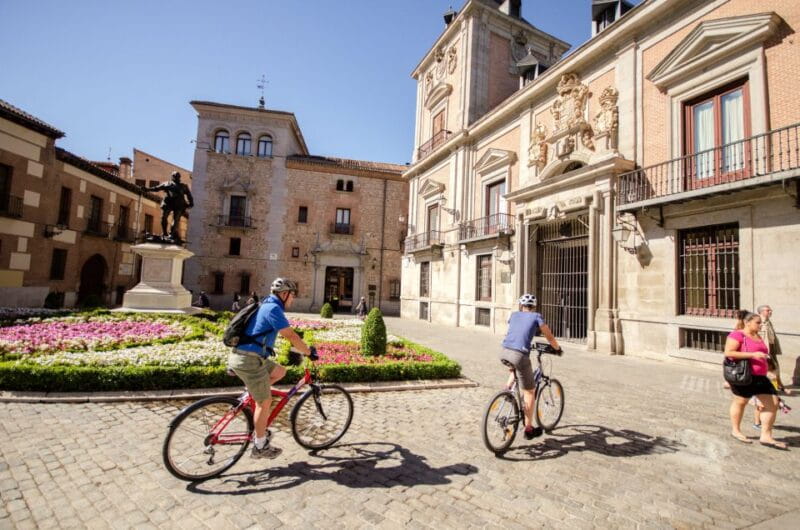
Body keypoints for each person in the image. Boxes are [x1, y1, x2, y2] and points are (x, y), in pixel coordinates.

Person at [227, 278, 317, 458]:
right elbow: (290, 335)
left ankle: (251, 393)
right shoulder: (274, 308)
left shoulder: (266, 303)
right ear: (284, 294)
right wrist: (308, 352)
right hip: (250, 360)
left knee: (280, 371)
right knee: (264, 402)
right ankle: (260, 446)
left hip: (250, 357)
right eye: (292, 295)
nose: (293, 299)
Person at [499, 294, 562, 440]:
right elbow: (549, 336)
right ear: (534, 307)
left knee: (515, 367)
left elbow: (515, 331)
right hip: (519, 355)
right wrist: (557, 348)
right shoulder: (536, 316)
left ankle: (507, 391)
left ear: (521, 306)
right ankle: (528, 428)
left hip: (504, 351)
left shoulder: (514, 315)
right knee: (529, 391)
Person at [725, 310, 786, 449]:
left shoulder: (757, 335)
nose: (760, 325)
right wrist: (752, 355)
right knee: (740, 402)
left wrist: (769, 368)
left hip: (761, 377)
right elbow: (728, 353)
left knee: (773, 403)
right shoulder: (737, 335)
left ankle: (766, 435)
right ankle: (736, 430)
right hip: (744, 376)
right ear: (747, 322)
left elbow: (763, 353)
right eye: (757, 322)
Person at [141, 171, 194, 242]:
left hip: (179, 205)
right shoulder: (167, 184)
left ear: (179, 177)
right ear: (172, 177)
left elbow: (189, 195)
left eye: (177, 176)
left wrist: (191, 203)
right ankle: (165, 232)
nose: (176, 178)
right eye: (175, 176)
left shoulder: (183, 186)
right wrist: (147, 189)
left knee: (176, 220)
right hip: (168, 203)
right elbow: (156, 188)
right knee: (164, 217)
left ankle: (171, 234)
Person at [757, 304, 790, 394]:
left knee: (775, 367)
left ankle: (778, 385)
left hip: (771, 348)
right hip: (763, 349)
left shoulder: (768, 321)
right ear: (761, 312)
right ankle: (773, 387)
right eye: (768, 310)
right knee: (768, 369)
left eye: (770, 310)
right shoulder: (758, 322)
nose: (770, 312)